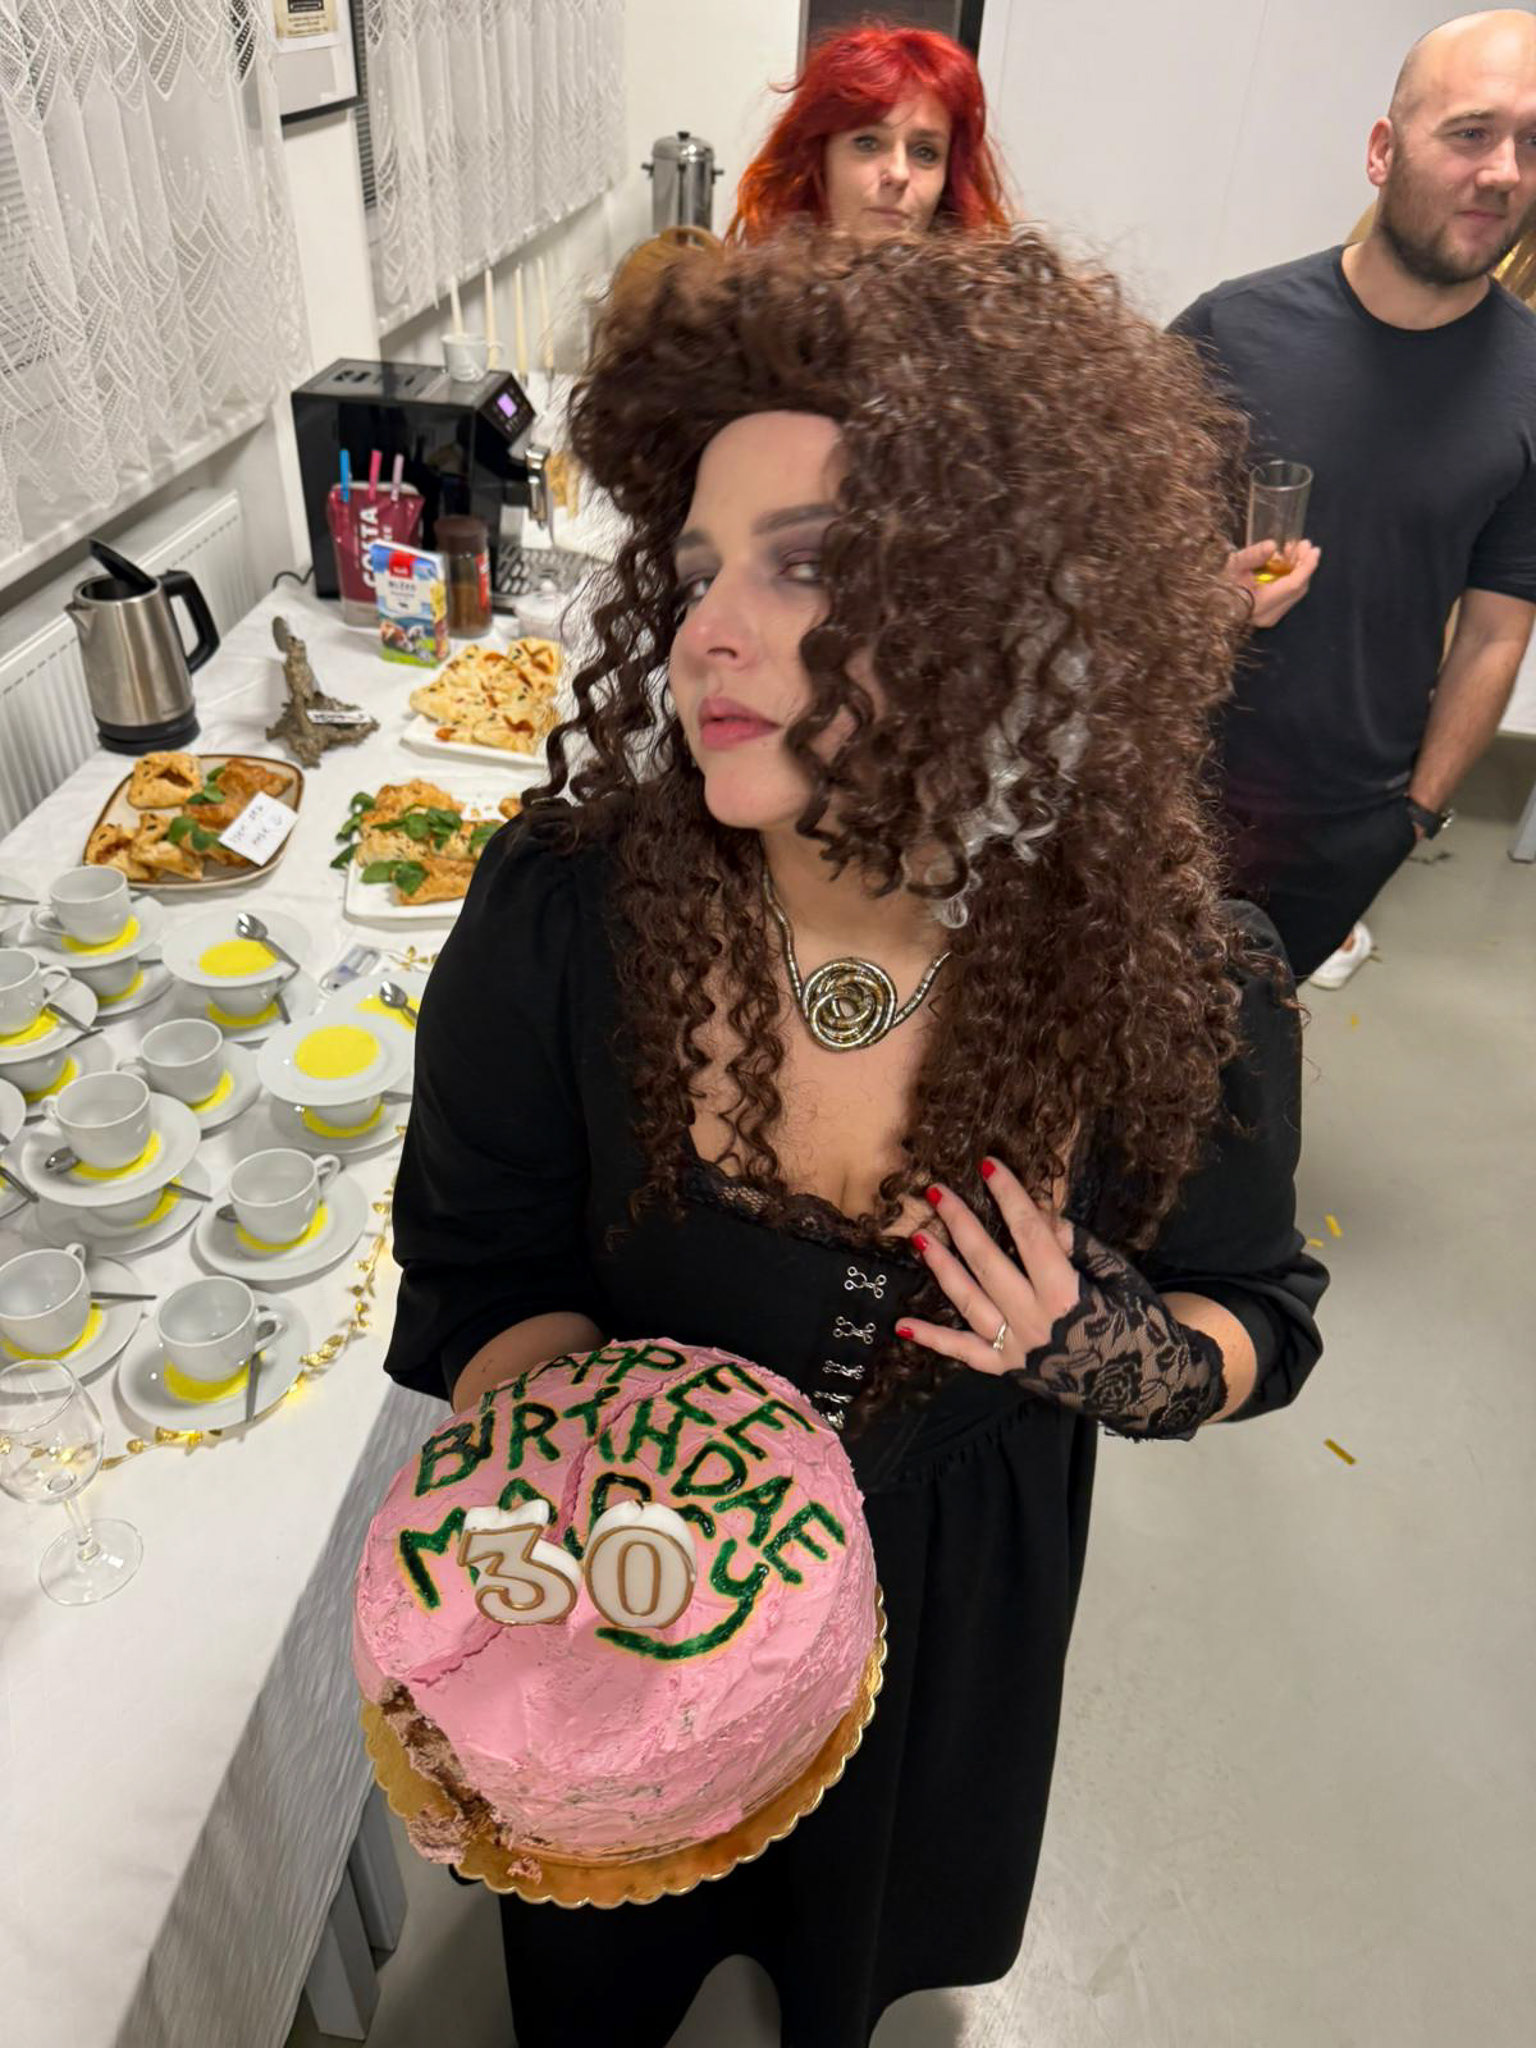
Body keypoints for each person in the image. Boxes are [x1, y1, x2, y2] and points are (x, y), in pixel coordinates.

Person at [383, 229, 1327, 2048]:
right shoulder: (565, 916)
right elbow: (483, 1267)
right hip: (615, 1595)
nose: (705, 631)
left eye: (805, 564)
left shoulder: (1169, 978)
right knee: (607, 1964)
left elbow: (1254, 1315)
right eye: (695, 569)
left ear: (1011, 609)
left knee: (848, 1949)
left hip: (943, 1605)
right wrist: (594, 1478)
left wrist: (1104, 1350)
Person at [1173, 8, 1536, 989]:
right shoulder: (1228, 332)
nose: (1503, 171)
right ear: (1383, 151)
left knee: (1241, 1047)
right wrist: (1210, 594)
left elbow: (1496, 631)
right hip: (1169, 787)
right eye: (1472, 132)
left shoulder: (1531, 386)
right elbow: (1110, 559)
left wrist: (1415, 815)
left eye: (1532, 143)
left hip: (1345, 827)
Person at [728, 21, 1010, 242]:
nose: (898, 174)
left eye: (925, 153)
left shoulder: (982, 301)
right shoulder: (757, 297)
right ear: (818, 159)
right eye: (867, 143)